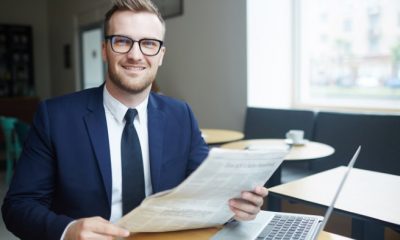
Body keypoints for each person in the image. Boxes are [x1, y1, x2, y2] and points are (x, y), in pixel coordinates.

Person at [2, 0, 269, 239]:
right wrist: (68, 230)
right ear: (105, 50)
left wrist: (237, 205)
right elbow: (18, 206)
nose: (135, 54)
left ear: (161, 55)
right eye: (122, 41)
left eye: (149, 44)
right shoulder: (55, 116)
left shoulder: (181, 114)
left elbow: (207, 193)